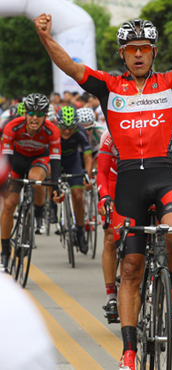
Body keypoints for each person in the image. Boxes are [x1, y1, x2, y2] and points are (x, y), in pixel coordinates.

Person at [34, 7, 172, 369]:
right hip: (128, 184)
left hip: (164, 175)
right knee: (132, 267)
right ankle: (129, 351)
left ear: (154, 52)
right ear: (122, 54)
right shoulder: (109, 86)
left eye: (145, 48)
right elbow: (73, 69)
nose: (138, 54)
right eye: (132, 48)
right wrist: (46, 37)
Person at [1, 93, 61, 269]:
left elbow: (56, 161)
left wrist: (56, 185)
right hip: (16, 161)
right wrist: (7, 181)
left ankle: (39, 212)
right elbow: (7, 158)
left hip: (38, 160)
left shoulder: (52, 130)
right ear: (25, 113)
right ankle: (4, 252)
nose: (35, 118)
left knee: (36, 181)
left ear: (45, 115)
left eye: (40, 114)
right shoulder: (12, 126)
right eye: (31, 113)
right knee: (9, 205)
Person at [56, 106, 93, 254]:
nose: (66, 131)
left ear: (76, 125)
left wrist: (87, 178)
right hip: (56, 161)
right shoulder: (52, 131)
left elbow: (88, 157)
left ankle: (79, 232)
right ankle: (51, 210)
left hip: (73, 162)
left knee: (78, 196)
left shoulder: (80, 131)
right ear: (58, 124)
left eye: (70, 128)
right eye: (63, 127)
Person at [97, 130, 120, 322]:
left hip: (143, 182)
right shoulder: (109, 136)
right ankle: (111, 295)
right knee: (111, 237)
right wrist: (104, 197)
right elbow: (102, 172)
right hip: (115, 182)